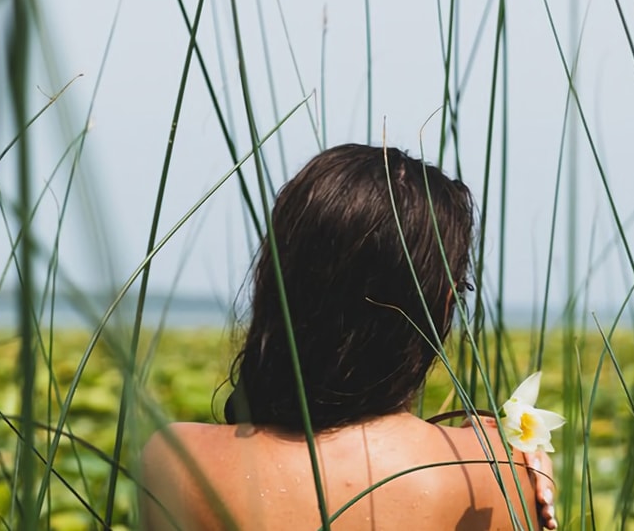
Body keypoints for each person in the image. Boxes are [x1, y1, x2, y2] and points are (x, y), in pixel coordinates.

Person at [141, 144, 557, 530]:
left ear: (275, 284)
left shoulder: (172, 459)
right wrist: (502, 454)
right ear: (442, 303)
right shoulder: (501, 474)